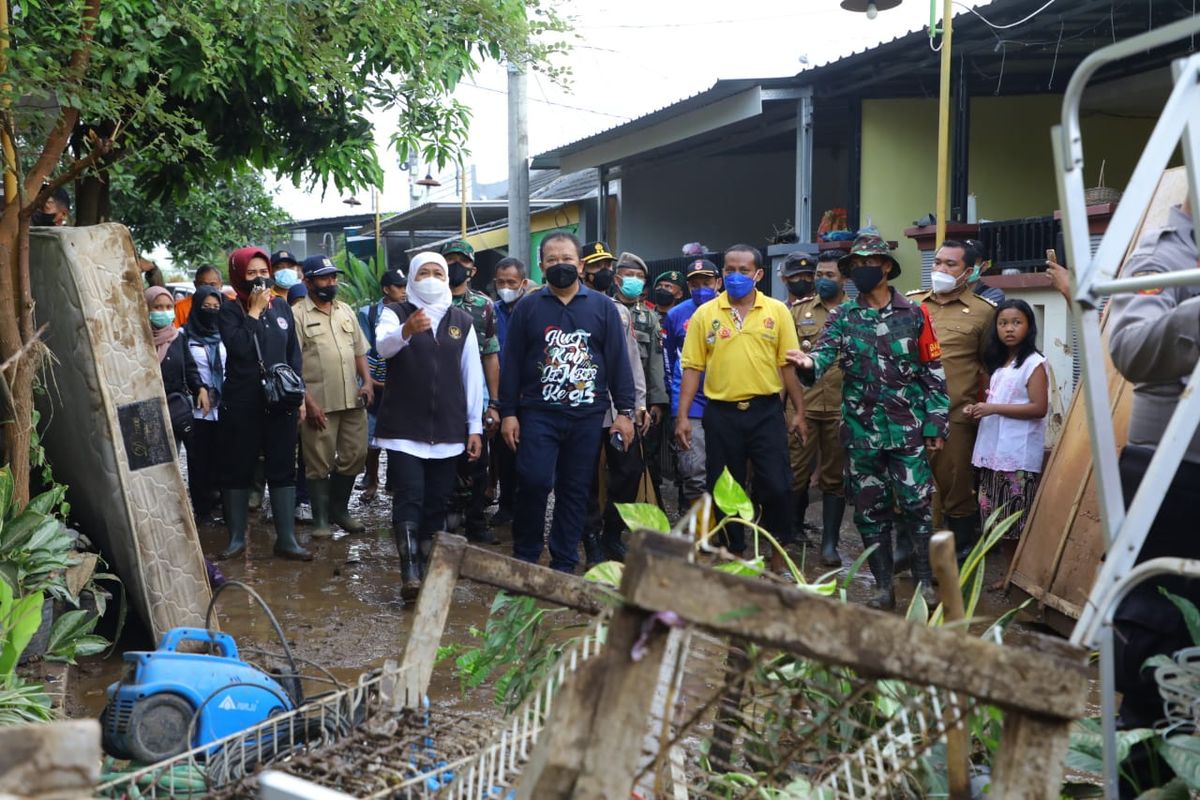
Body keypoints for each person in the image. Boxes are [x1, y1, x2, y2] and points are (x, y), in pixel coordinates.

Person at [788, 231, 948, 609]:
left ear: (887, 267)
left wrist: (935, 424)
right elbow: (823, 355)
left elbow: (933, 371)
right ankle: (882, 587)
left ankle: (925, 582)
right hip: (861, 433)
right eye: (855, 266)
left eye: (868, 264)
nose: (862, 271)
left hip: (907, 429)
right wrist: (809, 364)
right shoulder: (844, 316)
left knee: (917, 505)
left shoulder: (915, 314)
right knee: (870, 511)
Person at [1105, 199, 1200, 796]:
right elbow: (1131, 349)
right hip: (1178, 473)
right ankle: (1147, 780)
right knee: (1159, 641)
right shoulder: (1163, 255)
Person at [499, 231, 636, 573]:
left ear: (581, 265)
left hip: (587, 415)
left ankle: (564, 560)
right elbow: (511, 363)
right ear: (542, 265)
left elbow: (619, 362)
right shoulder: (528, 307)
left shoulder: (603, 308)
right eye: (552, 260)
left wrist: (625, 413)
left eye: (567, 260)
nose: (560, 265)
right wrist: (508, 414)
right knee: (533, 480)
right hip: (538, 413)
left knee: (574, 488)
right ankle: (527, 556)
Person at [676, 244, 808, 566]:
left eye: (744, 271)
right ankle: (734, 553)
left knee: (777, 486)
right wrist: (682, 416)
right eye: (729, 270)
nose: (735, 276)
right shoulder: (705, 314)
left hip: (766, 412)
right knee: (725, 488)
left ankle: (778, 555)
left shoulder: (777, 311)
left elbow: (787, 366)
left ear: (758, 275)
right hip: (721, 414)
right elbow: (692, 367)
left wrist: (800, 412)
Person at [374, 252, 483, 599]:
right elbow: (383, 348)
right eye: (425, 272)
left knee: (437, 501)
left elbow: (473, 374)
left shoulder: (462, 321)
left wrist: (475, 426)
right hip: (405, 427)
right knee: (410, 496)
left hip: (449, 429)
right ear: (412, 279)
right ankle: (409, 572)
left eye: (438, 272)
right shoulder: (396, 312)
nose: (432, 278)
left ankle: (427, 568)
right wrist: (407, 331)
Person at [215, 246, 310, 561]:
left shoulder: (282, 308)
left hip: (280, 402)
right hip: (242, 402)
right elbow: (240, 348)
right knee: (237, 469)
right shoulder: (230, 311)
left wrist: (300, 396)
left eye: (262, 272)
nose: (259, 278)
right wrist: (254, 311)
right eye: (251, 273)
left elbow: (292, 354)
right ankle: (236, 539)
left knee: (283, 469)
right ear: (239, 276)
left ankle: (286, 540)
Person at [908, 239, 996, 560]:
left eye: (950, 265)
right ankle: (915, 555)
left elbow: (990, 367)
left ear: (968, 272)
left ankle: (961, 554)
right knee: (907, 488)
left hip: (954, 417)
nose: (941, 270)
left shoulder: (984, 313)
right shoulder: (912, 305)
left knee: (956, 488)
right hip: (910, 414)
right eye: (938, 263)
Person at [963, 299, 1047, 590]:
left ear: (1028, 326)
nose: (1009, 329)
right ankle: (1011, 575)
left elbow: (1039, 408)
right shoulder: (1000, 365)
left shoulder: (1034, 363)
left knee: (1016, 520)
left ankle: (1024, 575)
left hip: (1016, 455)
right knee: (1000, 521)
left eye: (1016, 322)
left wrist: (993, 408)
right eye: (1003, 323)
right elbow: (997, 404)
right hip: (992, 453)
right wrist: (978, 409)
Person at [293, 254, 373, 539]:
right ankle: (321, 519)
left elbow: (359, 349)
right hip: (319, 403)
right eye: (324, 278)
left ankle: (340, 509)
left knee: (356, 455)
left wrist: (367, 382)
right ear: (308, 281)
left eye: (333, 277)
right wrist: (308, 402)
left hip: (352, 398)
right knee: (318, 463)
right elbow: (293, 365)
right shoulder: (297, 314)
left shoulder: (345, 311)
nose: (331, 282)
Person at [789, 250, 849, 565]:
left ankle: (830, 544)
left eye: (830, 275)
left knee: (833, 477)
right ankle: (787, 531)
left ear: (844, 279)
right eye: (819, 275)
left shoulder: (856, 313)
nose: (822, 280)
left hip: (842, 408)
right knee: (794, 472)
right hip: (803, 406)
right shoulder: (798, 313)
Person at [442, 240, 501, 544]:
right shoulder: (431, 302)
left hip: (474, 397)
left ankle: (476, 521)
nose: (455, 266)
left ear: (472, 269)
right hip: (438, 398)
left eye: (461, 261)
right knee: (443, 461)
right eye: (449, 259)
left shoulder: (483, 306)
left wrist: (494, 403)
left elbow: (490, 354)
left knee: (477, 462)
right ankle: (446, 519)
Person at [664, 258, 722, 511]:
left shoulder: (732, 310)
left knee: (724, 470)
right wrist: (676, 407)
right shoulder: (676, 315)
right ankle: (699, 529)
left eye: (706, 282)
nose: (701, 288)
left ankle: (725, 528)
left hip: (725, 400)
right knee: (693, 468)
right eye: (695, 284)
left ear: (718, 282)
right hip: (690, 402)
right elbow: (667, 359)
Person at [613, 251, 669, 500]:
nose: (634, 281)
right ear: (617, 279)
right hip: (609, 402)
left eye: (639, 277)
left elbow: (656, 362)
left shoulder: (649, 318)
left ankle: (644, 508)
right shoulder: (604, 309)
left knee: (642, 461)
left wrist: (655, 402)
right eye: (629, 276)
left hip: (640, 403)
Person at [358, 269, 407, 503]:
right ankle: (373, 480)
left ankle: (395, 482)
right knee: (372, 438)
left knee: (400, 437)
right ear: (387, 289)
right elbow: (364, 350)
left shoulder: (411, 311)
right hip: (376, 383)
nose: (404, 291)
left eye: (406, 286)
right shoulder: (369, 314)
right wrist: (371, 382)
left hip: (401, 385)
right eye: (399, 286)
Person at [490, 257, 530, 526]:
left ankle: (528, 506)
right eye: (501, 282)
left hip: (532, 394)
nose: (506, 287)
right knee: (503, 452)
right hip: (501, 394)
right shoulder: (489, 312)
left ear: (523, 283)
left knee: (530, 453)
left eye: (512, 283)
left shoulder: (534, 310)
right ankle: (506, 505)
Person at [146, 287, 209, 449]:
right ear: (145, 308)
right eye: (158, 307)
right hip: (147, 408)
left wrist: (200, 389)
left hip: (174, 407)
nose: (164, 312)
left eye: (168, 307)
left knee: (172, 454)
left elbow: (190, 368)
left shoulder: (178, 338)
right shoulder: (137, 339)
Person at [182, 285, 226, 522]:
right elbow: (186, 367)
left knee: (223, 456)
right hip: (198, 407)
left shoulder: (225, 332)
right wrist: (198, 387)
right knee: (199, 459)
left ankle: (222, 502)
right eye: (206, 307)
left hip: (225, 405)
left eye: (216, 307)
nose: (211, 311)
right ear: (197, 307)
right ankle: (202, 509)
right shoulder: (185, 335)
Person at [964, 239, 1006, 304]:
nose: (966, 266)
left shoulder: (993, 294)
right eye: (963, 261)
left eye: (972, 261)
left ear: (984, 266)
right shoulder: (945, 290)